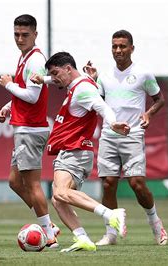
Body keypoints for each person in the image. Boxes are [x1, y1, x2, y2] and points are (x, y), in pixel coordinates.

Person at [32, 52, 129, 252]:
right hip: (71, 150)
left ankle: (111, 215)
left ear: (68, 68)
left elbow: (101, 106)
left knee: (61, 193)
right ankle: (82, 238)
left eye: (55, 72)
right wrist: (44, 79)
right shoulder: (79, 82)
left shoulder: (82, 89)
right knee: (58, 199)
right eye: (51, 74)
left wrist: (113, 123)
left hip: (74, 150)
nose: (54, 77)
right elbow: (59, 78)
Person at [84, 30, 168, 246]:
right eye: (114, 46)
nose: (118, 50)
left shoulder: (143, 73)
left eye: (122, 46)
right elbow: (98, 101)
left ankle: (156, 224)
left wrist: (148, 113)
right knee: (108, 184)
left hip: (133, 134)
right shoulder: (104, 75)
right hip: (108, 135)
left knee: (137, 183)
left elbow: (159, 99)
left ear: (132, 48)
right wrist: (93, 82)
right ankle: (111, 234)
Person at [0, 14, 60, 248]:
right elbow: (25, 93)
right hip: (24, 127)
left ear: (35, 34)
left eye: (25, 34)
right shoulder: (24, 57)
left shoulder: (34, 60)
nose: (20, 38)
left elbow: (32, 97)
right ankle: (49, 225)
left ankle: (50, 236)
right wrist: (7, 107)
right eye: (16, 34)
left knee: (33, 184)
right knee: (15, 181)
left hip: (31, 130)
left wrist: (8, 85)